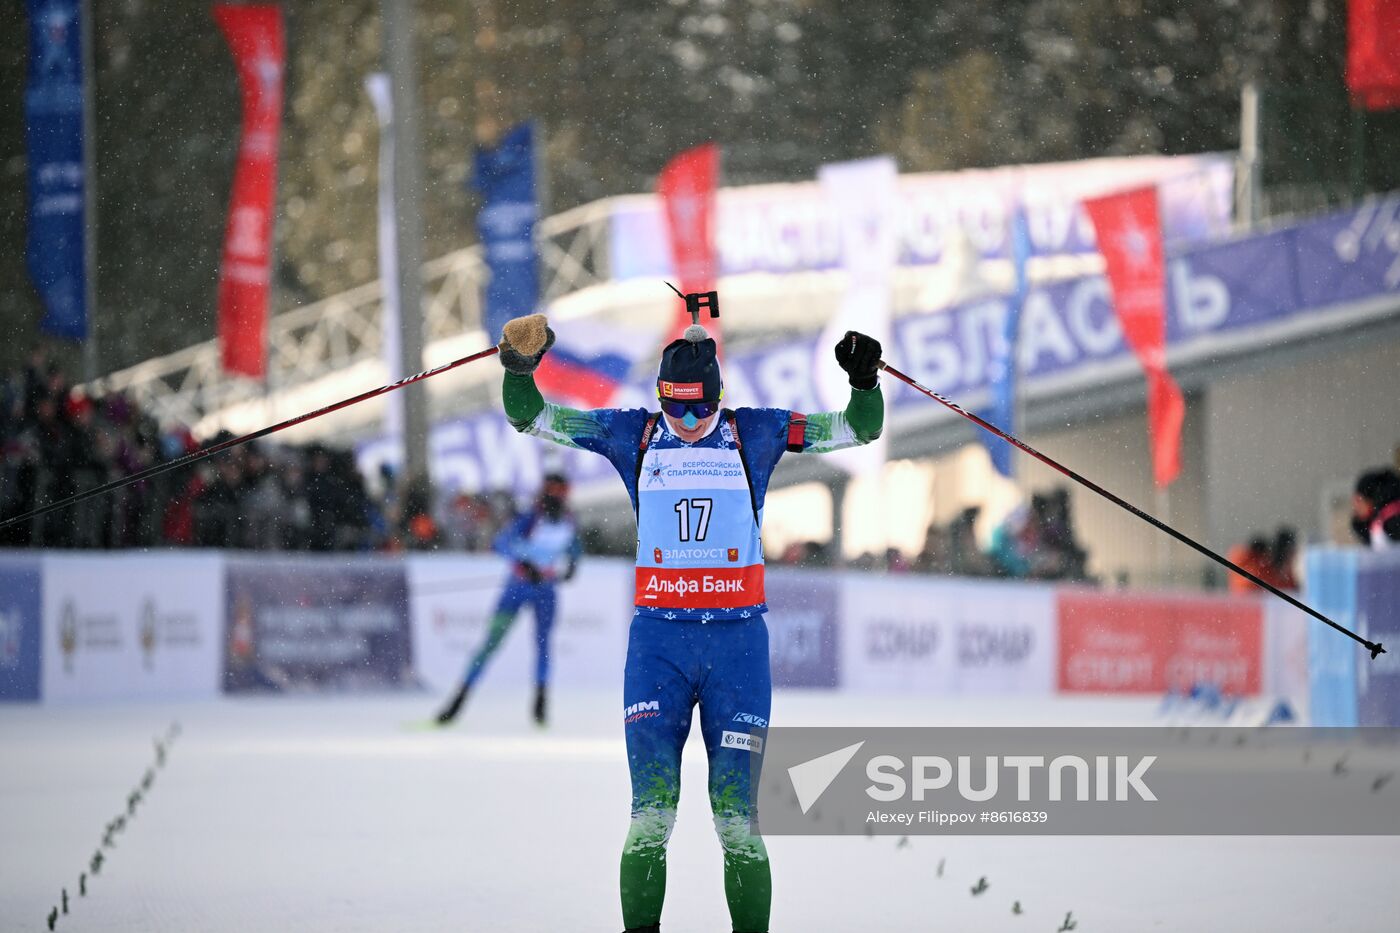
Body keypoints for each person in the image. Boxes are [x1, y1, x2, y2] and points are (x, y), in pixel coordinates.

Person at [488, 310, 883, 933]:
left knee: (736, 823)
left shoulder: (756, 432)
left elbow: (858, 431)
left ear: (720, 397)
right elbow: (530, 416)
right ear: (660, 398)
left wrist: (864, 382)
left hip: (737, 650)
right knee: (651, 815)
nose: (690, 423)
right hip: (659, 648)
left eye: (701, 409)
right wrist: (519, 365)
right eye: (676, 409)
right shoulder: (634, 436)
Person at [435, 472, 582, 726]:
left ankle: (540, 706)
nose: (555, 497)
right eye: (552, 492)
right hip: (518, 587)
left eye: (560, 492)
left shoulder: (568, 519)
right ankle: (457, 703)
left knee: (544, 646)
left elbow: (573, 548)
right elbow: (501, 543)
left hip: (545, 589)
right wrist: (524, 562)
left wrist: (571, 566)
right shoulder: (530, 517)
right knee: (491, 642)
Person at [1352, 468, 1400, 550]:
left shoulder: (1392, 519)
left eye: (1358, 500)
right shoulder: (1379, 521)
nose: (1355, 507)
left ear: (1371, 499)